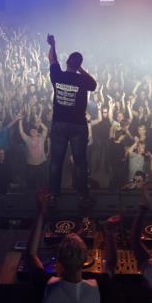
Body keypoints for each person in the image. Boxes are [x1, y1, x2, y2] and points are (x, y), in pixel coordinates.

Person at [26, 191, 113, 303]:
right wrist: (109, 232)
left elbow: (31, 254)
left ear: (58, 259)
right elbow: (111, 263)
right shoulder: (98, 286)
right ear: (85, 259)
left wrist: (40, 213)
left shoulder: (46, 285)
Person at [46, 34, 97, 206]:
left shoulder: (57, 75)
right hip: (78, 126)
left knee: (56, 162)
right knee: (80, 163)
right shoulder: (82, 79)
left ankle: (54, 195)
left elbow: (52, 59)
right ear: (79, 65)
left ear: (67, 61)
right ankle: (82, 195)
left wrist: (53, 45)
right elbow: (94, 84)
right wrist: (80, 69)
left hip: (59, 124)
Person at [19, 116, 48, 190]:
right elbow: (21, 132)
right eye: (32, 131)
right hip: (31, 166)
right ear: (30, 133)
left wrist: (40, 122)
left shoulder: (41, 138)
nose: (34, 131)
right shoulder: (28, 139)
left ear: (37, 132)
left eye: (35, 130)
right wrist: (20, 121)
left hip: (41, 165)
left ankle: (42, 195)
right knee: (31, 186)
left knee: (42, 184)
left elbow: (45, 129)